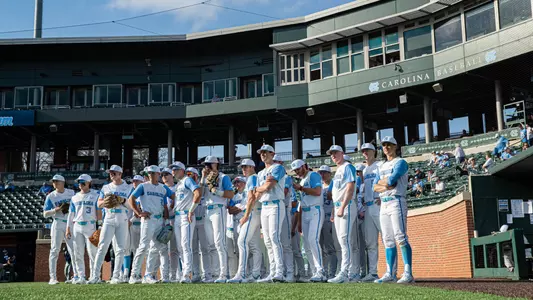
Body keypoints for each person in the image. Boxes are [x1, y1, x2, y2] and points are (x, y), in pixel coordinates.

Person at [241, 144, 286, 283]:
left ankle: (279, 271)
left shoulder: (278, 167)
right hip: (265, 206)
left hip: (276, 204)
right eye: (261, 153)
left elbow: (268, 186)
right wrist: (260, 189)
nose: (263, 154)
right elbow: (258, 193)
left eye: (266, 152)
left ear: (272, 154)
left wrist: (259, 188)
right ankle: (272, 273)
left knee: (274, 237)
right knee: (267, 240)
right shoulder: (261, 173)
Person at [373, 136, 414, 284]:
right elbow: (374, 186)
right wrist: (385, 184)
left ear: (395, 146)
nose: (386, 147)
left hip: (397, 200)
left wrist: (383, 183)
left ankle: (408, 272)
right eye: (384, 145)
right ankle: (390, 273)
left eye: (389, 145)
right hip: (384, 203)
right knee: (387, 239)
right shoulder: (381, 166)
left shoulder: (400, 162)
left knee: (400, 236)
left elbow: (392, 181)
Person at [128, 165, 174, 284]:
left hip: (159, 220)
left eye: (153, 173)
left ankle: (148, 275)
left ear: (158, 174)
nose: (151, 175)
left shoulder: (163, 188)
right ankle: (134, 275)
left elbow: (173, 197)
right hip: (148, 219)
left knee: (155, 248)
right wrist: (138, 212)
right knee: (143, 246)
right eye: (149, 173)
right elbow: (131, 199)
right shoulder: (143, 186)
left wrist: (168, 213)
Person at [89, 165, 133, 284]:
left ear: (120, 174)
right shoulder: (106, 187)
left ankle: (116, 276)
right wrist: (104, 202)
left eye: (114, 173)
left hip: (122, 217)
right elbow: (98, 204)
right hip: (108, 217)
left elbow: (131, 206)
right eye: (110, 173)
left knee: (120, 248)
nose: (112, 175)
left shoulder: (128, 187)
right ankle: (95, 275)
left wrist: (123, 200)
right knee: (102, 246)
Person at [200, 156, 234, 283]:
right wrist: (203, 178)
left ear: (216, 164)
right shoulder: (205, 178)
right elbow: (200, 194)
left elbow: (230, 194)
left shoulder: (223, 177)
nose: (206, 167)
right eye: (205, 165)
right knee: (211, 244)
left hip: (219, 208)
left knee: (219, 242)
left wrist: (218, 192)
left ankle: (224, 274)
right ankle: (214, 274)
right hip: (207, 209)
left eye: (209, 164)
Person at [326, 145, 357, 284]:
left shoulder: (347, 166)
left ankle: (346, 272)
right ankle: (346, 272)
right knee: (341, 241)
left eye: (335, 153)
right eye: (331, 154)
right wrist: (334, 209)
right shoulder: (338, 170)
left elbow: (350, 188)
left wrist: (342, 207)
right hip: (338, 206)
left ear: (342, 153)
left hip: (347, 206)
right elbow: (335, 194)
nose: (333, 156)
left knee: (345, 240)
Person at [229, 160, 262, 283]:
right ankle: (255, 274)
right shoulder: (253, 178)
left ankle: (241, 274)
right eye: (242, 167)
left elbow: (251, 197)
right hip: (255, 212)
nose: (243, 169)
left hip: (252, 213)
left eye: (246, 167)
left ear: (252, 167)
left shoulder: (252, 178)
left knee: (242, 242)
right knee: (254, 246)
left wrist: (246, 215)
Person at [291, 159, 325, 282]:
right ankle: (313, 272)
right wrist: (299, 221)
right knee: (306, 244)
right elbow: (301, 203)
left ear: (305, 166)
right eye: (295, 170)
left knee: (313, 240)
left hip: (315, 210)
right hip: (305, 212)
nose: (296, 172)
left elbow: (317, 191)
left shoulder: (313, 175)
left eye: (298, 169)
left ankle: (320, 271)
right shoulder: (302, 180)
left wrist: (300, 188)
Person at [43, 174, 78, 285]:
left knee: (73, 250)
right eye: (54, 182)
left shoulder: (71, 193)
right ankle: (52, 278)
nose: (55, 183)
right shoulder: (51, 196)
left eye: (57, 181)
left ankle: (76, 275)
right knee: (54, 250)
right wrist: (56, 209)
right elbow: (45, 214)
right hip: (57, 223)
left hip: (69, 223)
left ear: (63, 182)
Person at [66, 174, 99, 284]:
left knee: (92, 252)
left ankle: (95, 276)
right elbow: (71, 214)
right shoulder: (74, 197)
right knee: (78, 253)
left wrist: (100, 225)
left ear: (89, 182)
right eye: (79, 182)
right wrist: (68, 228)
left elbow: (99, 211)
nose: (80, 184)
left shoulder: (96, 194)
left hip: (90, 225)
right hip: (77, 225)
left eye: (82, 182)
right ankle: (81, 276)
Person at [172, 164, 201, 283]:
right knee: (180, 246)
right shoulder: (178, 183)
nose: (173, 172)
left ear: (182, 170)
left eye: (175, 169)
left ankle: (187, 274)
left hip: (186, 215)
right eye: (172, 170)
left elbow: (198, 192)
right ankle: (185, 271)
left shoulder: (187, 180)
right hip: (178, 216)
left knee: (185, 244)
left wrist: (191, 210)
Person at [360, 143, 381, 283]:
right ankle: (373, 273)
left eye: (368, 150)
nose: (365, 152)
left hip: (378, 204)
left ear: (374, 151)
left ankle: (392, 271)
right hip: (367, 206)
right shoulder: (364, 169)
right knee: (370, 242)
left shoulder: (380, 165)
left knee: (387, 238)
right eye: (363, 151)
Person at [187, 167, 211, 283]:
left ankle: (207, 274)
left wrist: (203, 177)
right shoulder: (187, 188)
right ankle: (196, 273)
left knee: (205, 249)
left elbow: (201, 189)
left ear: (196, 176)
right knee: (194, 249)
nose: (189, 177)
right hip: (192, 221)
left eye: (191, 175)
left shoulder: (201, 187)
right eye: (188, 175)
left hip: (202, 221)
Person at [273, 155, 294, 283]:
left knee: (285, 244)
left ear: (281, 163)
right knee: (275, 242)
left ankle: (290, 273)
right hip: (274, 208)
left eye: (276, 162)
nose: (275, 164)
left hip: (284, 208)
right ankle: (278, 271)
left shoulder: (286, 177)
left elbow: (284, 192)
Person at [317, 165, 336, 279]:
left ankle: (332, 272)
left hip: (329, 218)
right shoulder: (319, 186)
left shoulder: (333, 185)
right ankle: (322, 272)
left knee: (330, 248)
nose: (323, 175)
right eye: (321, 173)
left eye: (325, 172)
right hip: (319, 218)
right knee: (320, 247)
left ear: (330, 174)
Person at [161, 166, 179, 282]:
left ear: (172, 175)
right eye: (162, 175)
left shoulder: (178, 187)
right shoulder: (160, 188)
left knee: (175, 250)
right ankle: (164, 276)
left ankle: (174, 275)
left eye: (167, 174)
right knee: (162, 250)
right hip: (163, 221)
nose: (164, 177)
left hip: (175, 220)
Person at [227, 177, 246, 279]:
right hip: (235, 222)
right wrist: (237, 208)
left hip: (244, 221)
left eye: (239, 182)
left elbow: (243, 208)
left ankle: (257, 271)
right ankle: (241, 272)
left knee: (249, 247)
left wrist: (237, 208)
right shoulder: (233, 196)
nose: (237, 184)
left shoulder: (247, 193)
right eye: (235, 183)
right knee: (238, 249)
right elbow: (230, 210)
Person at [126, 175, 144, 280]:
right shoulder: (131, 194)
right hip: (132, 226)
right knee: (133, 249)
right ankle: (135, 273)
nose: (134, 183)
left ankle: (142, 273)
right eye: (133, 181)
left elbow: (138, 213)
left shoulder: (144, 192)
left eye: (137, 181)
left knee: (142, 250)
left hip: (142, 224)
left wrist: (131, 220)